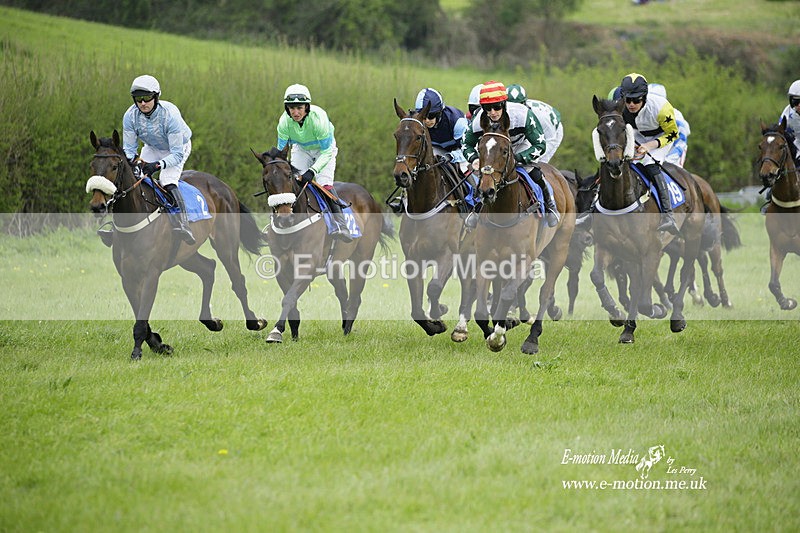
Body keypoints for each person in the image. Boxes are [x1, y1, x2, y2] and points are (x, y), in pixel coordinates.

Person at [462, 80, 559, 226]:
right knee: (483, 175)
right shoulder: (478, 120)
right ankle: (477, 208)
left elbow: (540, 144)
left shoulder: (523, 115)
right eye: (487, 108)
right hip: (495, 148)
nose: (492, 112)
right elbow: (465, 144)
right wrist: (474, 158)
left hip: (520, 145)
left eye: (497, 107)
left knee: (533, 172)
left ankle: (550, 204)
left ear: (504, 104)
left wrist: (519, 158)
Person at [122, 74, 195, 244]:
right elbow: (129, 150)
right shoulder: (130, 116)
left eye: (147, 98)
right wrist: (133, 164)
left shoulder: (170, 115)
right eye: (138, 99)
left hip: (177, 148)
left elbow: (176, 154)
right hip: (152, 147)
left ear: (156, 97)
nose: (143, 103)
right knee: (132, 178)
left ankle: (183, 223)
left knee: (167, 180)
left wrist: (157, 165)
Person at [277, 83, 352, 242]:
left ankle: (341, 225)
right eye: (292, 108)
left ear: (306, 107)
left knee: (324, 184)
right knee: (292, 182)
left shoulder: (319, 119)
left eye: (299, 108)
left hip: (324, 150)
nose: (295, 112)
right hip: (301, 148)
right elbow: (281, 153)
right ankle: (285, 219)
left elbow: (326, 152)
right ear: (287, 108)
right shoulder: (283, 123)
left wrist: (312, 171)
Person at [618, 72, 681, 235]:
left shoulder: (662, 108)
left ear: (645, 97)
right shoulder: (619, 106)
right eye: (628, 100)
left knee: (649, 164)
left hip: (661, 137)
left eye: (636, 100)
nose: (631, 104)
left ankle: (668, 215)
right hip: (637, 136)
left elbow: (674, 134)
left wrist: (649, 146)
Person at [764, 79, 800, 212]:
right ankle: (772, 196)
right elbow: (781, 135)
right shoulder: (787, 114)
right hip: (795, 146)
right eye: (795, 102)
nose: (798, 105)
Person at [413, 88, 469, 173]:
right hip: (438, 150)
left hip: (461, 150)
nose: (427, 120)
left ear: (440, 112)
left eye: (431, 115)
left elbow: (468, 148)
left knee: (464, 169)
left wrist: (451, 156)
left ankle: (476, 182)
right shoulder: (418, 124)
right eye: (423, 116)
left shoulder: (458, 122)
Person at [506, 83, 564, 164]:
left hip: (551, 132)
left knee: (536, 161)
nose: (515, 110)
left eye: (519, 106)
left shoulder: (539, 116)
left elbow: (546, 142)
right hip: (531, 131)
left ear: (524, 103)